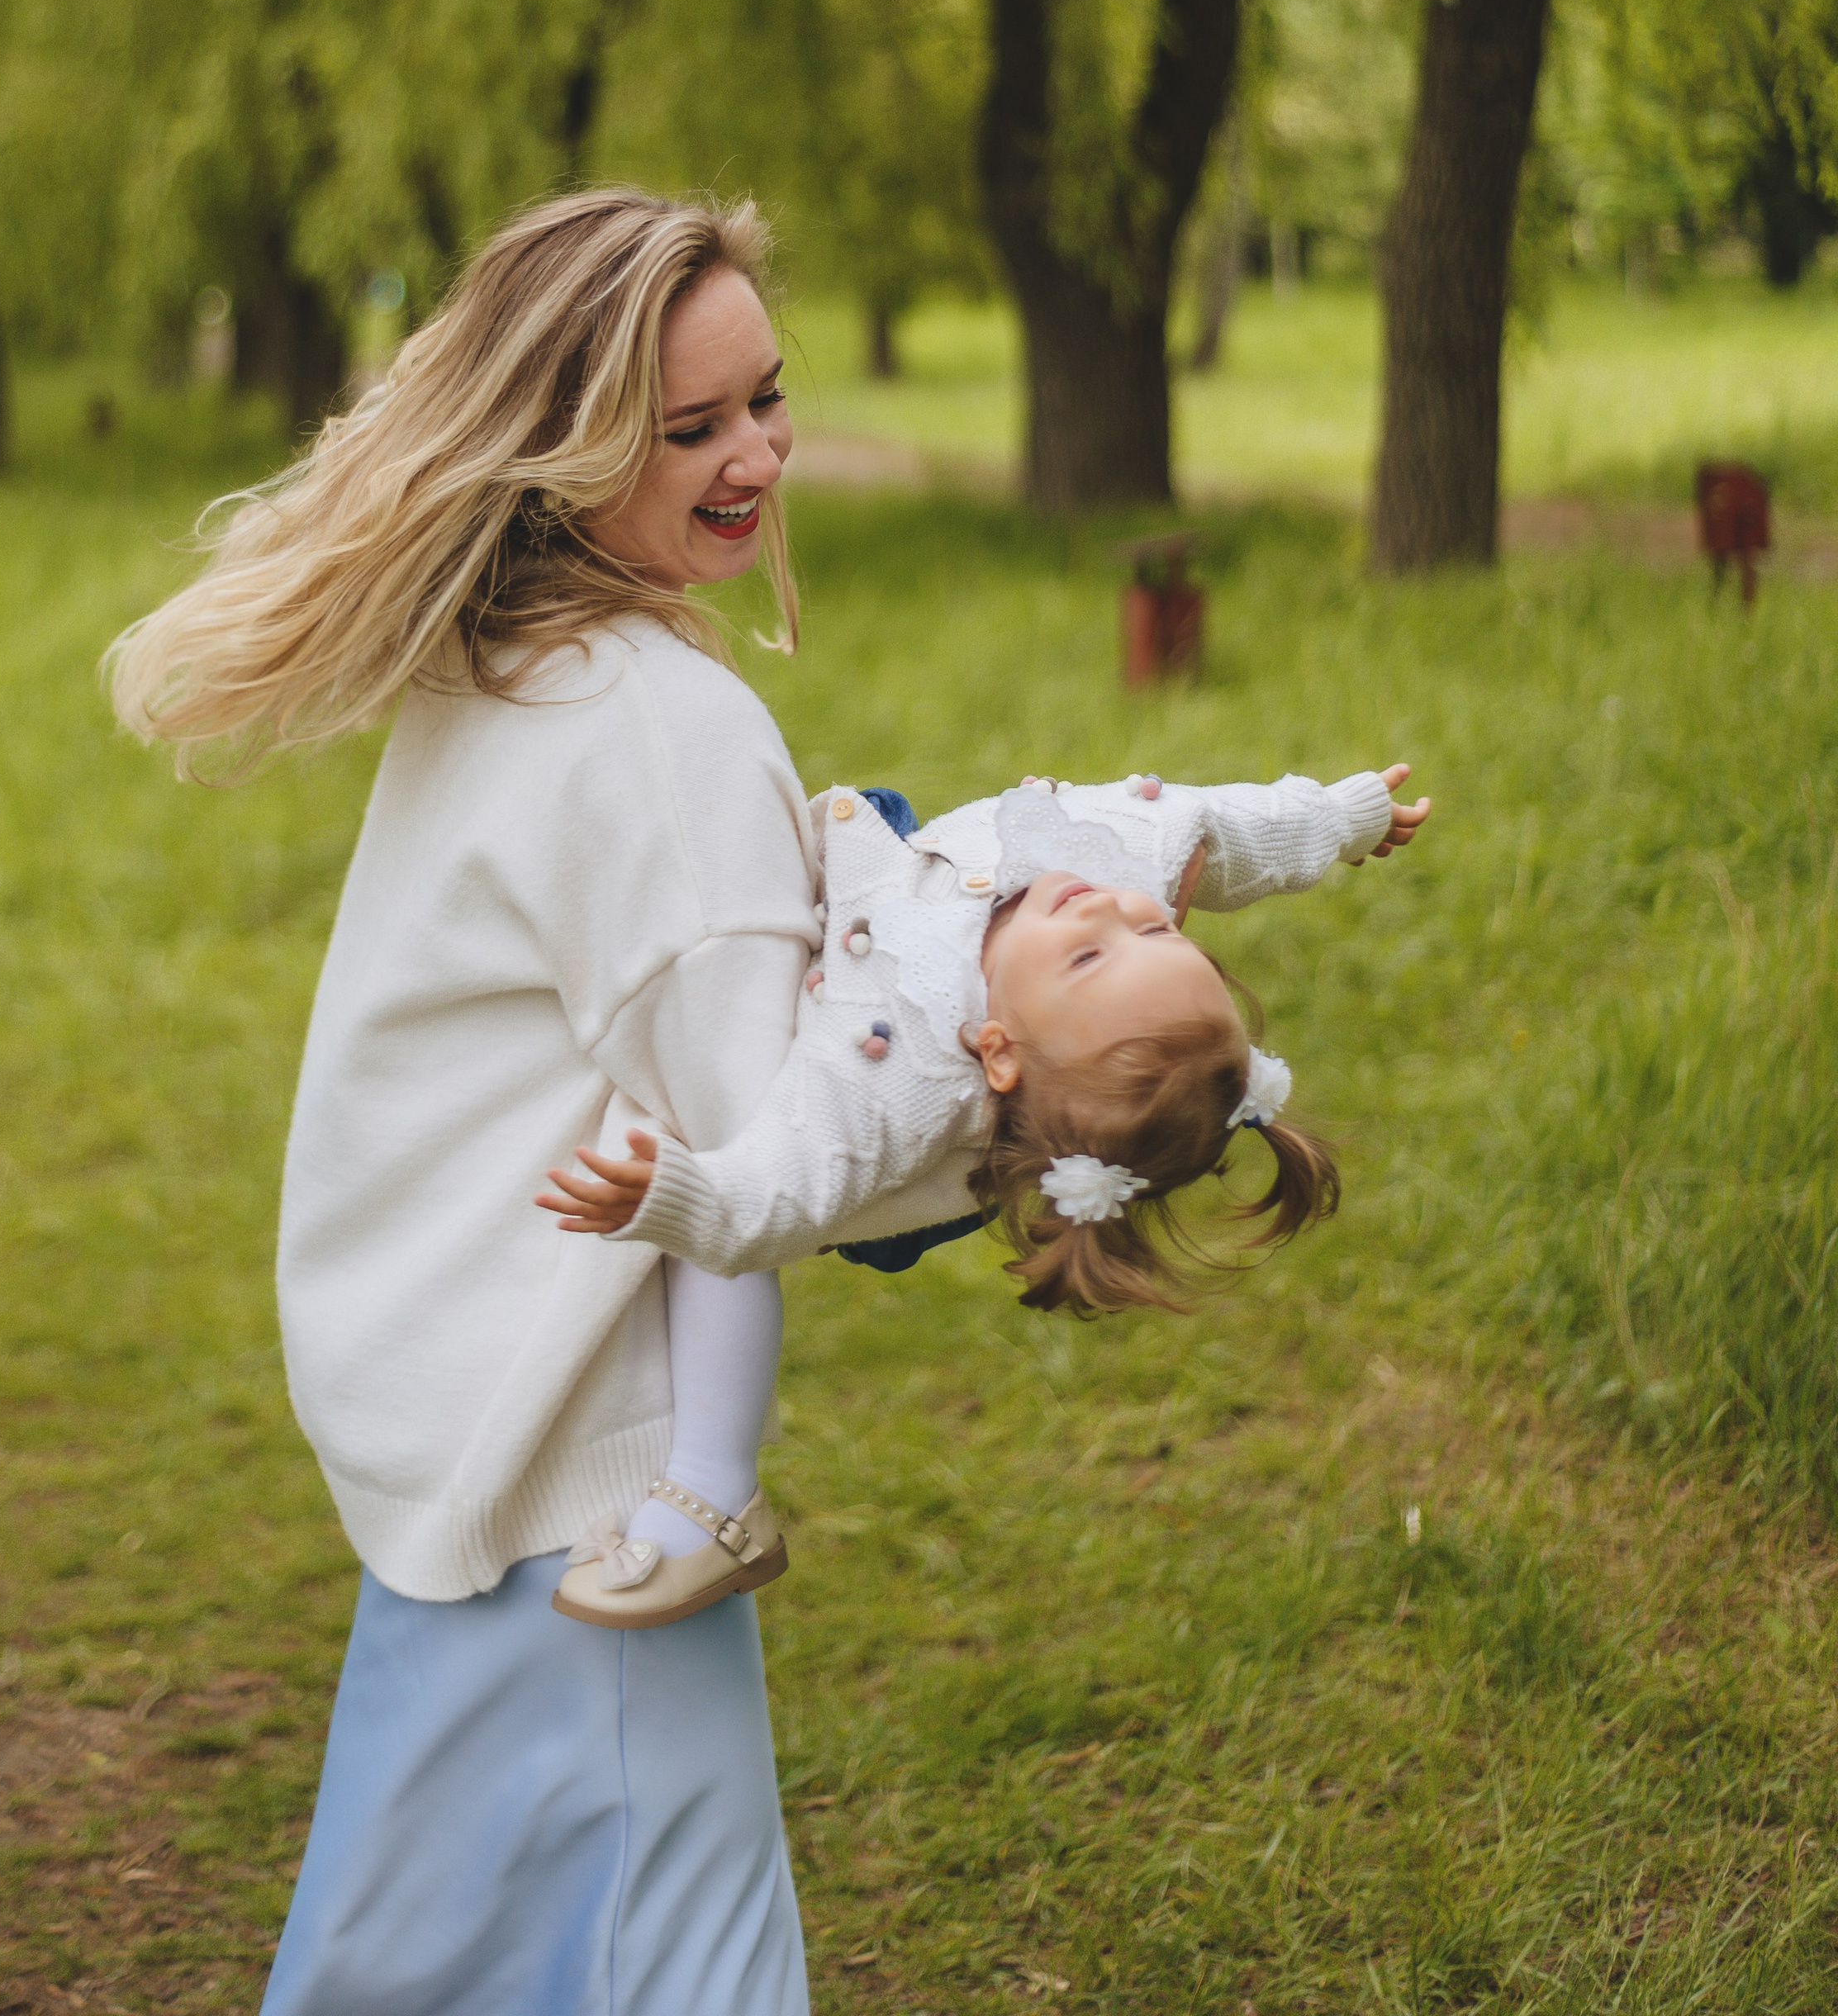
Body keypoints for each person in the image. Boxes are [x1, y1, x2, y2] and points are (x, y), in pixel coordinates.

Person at [106, 190, 824, 2016]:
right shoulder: (658, 730)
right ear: (569, 445)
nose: (751, 455)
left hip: (468, 1469)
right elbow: (770, 1157)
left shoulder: (502, 671)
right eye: (688, 428)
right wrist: (1017, 1086)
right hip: (594, 1499)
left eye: (762, 400)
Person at [541, 761, 1429, 1623]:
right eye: (1162, 933)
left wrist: (675, 1194)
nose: (1112, 906)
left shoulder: (896, 1075)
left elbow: (773, 1203)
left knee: (720, 1186)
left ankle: (711, 1486)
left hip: (831, 1074)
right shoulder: (1126, 869)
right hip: (889, 866)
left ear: (996, 1049)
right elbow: (1227, 831)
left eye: (1086, 958)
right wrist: (1348, 819)